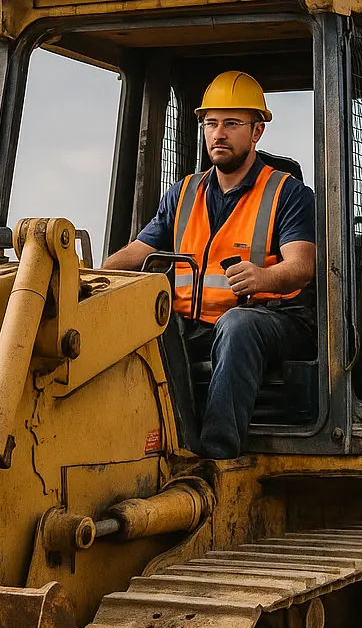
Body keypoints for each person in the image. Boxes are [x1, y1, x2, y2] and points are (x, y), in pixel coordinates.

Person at [103, 71, 317, 459]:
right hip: (197, 321)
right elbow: (139, 250)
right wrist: (98, 275)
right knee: (141, 320)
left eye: (232, 124)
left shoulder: (287, 193)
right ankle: (156, 446)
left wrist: (263, 276)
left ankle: (217, 455)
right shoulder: (184, 192)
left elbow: (301, 267)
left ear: (256, 133)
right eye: (211, 123)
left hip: (273, 318)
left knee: (238, 325)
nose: (219, 134)